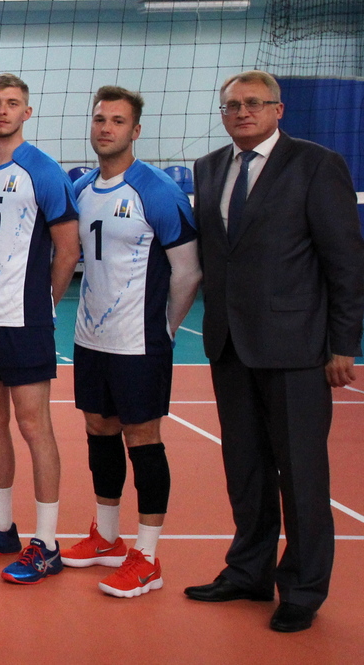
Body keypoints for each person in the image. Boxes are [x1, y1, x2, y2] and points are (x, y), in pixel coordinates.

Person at [184, 70, 364, 633]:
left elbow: (345, 262)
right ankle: (248, 571)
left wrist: (343, 343)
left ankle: (304, 589)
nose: (242, 112)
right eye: (232, 105)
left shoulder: (316, 164)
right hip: (229, 345)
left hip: (297, 348)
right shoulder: (209, 168)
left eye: (254, 103)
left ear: (278, 110)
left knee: (301, 475)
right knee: (245, 469)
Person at [62, 86, 200, 598]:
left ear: (135, 130)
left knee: (143, 438)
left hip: (139, 340)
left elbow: (188, 270)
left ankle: (147, 556)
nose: (106, 128)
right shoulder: (82, 188)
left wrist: (165, 328)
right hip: (90, 335)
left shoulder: (156, 190)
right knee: (99, 428)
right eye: (100, 119)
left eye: (117, 121)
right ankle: (107, 537)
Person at [0, 73, 79, 584]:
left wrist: (44, 304)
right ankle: (2, 528)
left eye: (13, 103)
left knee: (33, 425)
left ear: (27, 112)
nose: (2, 110)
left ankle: (46, 544)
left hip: (22, 320)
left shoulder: (42, 171)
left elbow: (67, 248)